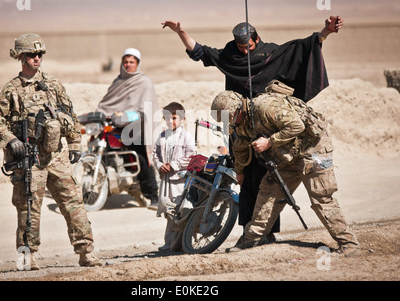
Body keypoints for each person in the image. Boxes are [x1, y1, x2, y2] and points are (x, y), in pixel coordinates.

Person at [162, 16, 344, 242]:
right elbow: (199, 51)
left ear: (256, 39)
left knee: (267, 180)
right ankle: (249, 232)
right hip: (240, 126)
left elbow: (302, 47)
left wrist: (325, 32)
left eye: (248, 46)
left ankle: (267, 233)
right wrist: (180, 32)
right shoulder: (230, 57)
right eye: (241, 47)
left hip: (269, 127)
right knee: (245, 179)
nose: (245, 52)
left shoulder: (271, 54)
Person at [0, 33, 101, 270]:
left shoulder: (53, 84)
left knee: (74, 203)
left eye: (40, 54)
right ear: (21, 56)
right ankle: (28, 257)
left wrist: (75, 144)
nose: (37, 58)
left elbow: (69, 113)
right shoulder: (12, 90)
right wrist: (9, 140)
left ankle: (86, 252)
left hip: (57, 155)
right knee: (29, 207)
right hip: (30, 159)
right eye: (31, 54)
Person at [210, 83, 361, 257]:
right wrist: (240, 171)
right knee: (268, 194)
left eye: (230, 118)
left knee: (322, 197)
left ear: (237, 109)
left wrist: (269, 142)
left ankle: (349, 245)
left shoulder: (265, 107)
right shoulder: (242, 122)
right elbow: (240, 147)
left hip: (313, 150)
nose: (231, 123)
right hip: (287, 156)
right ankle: (251, 240)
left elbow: (297, 126)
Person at [85, 48, 160, 209]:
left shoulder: (144, 82)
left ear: (137, 64)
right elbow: (107, 104)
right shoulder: (117, 82)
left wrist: (125, 115)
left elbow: (145, 109)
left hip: (137, 127)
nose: (128, 65)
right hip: (115, 125)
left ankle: (153, 196)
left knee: (140, 157)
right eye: (125, 61)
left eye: (132, 62)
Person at [152, 102, 196, 251]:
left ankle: (182, 241)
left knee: (180, 210)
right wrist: (160, 165)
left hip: (180, 180)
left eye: (174, 118)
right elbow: (155, 154)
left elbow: (191, 156)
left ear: (182, 119)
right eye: (167, 118)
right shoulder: (162, 136)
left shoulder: (187, 137)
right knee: (168, 210)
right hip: (166, 179)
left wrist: (174, 164)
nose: (170, 121)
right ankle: (169, 242)